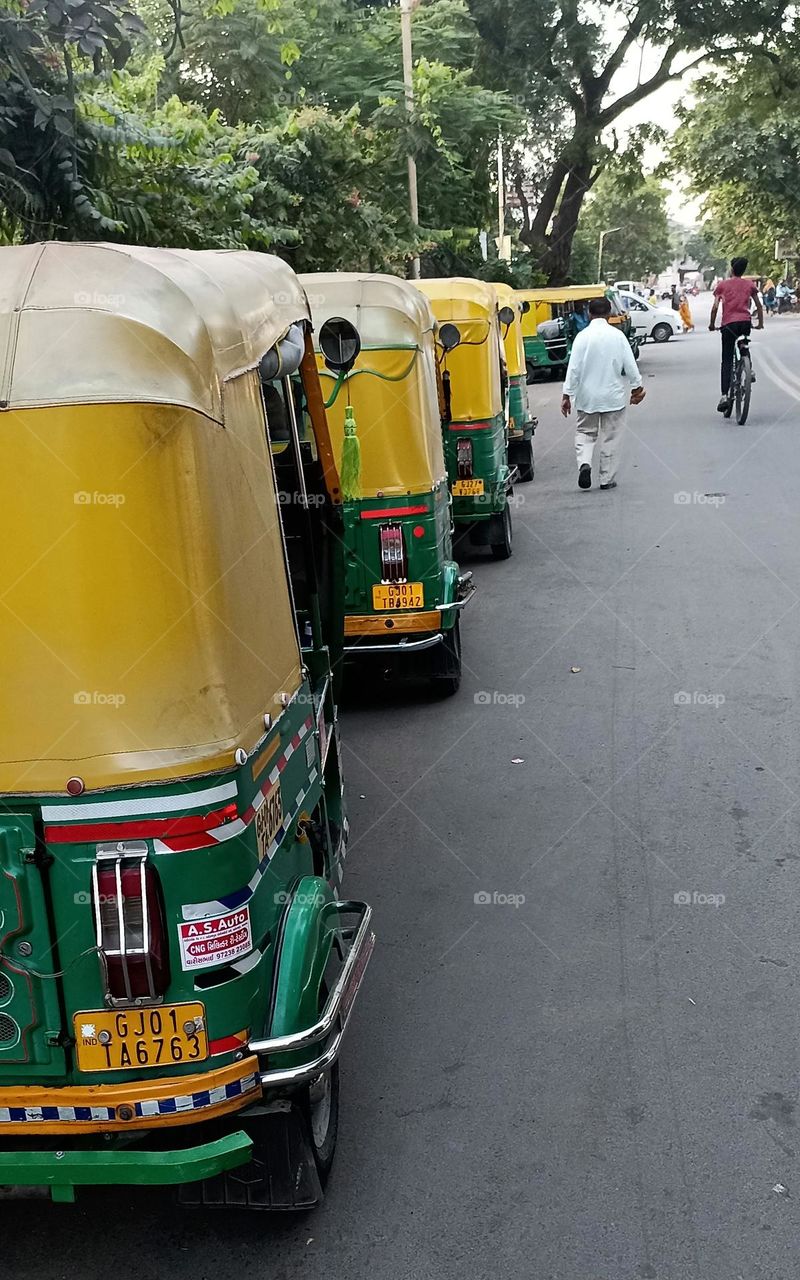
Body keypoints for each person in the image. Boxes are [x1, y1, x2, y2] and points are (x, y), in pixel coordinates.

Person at [561, 296, 646, 491]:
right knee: (611, 436)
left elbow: (573, 369)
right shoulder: (617, 336)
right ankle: (606, 479)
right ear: (609, 314)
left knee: (584, 432)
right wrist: (637, 387)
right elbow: (630, 365)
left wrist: (567, 395)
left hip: (586, 397)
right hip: (612, 397)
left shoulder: (582, 337)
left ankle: (584, 463)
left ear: (589, 314)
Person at [709, 256, 763, 412]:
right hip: (745, 322)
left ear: (732, 269)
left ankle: (724, 396)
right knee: (743, 344)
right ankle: (749, 369)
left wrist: (712, 325)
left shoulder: (722, 285)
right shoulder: (749, 285)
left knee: (726, 359)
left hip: (728, 325)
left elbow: (714, 308)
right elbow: (758, 306)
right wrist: (760, 323)